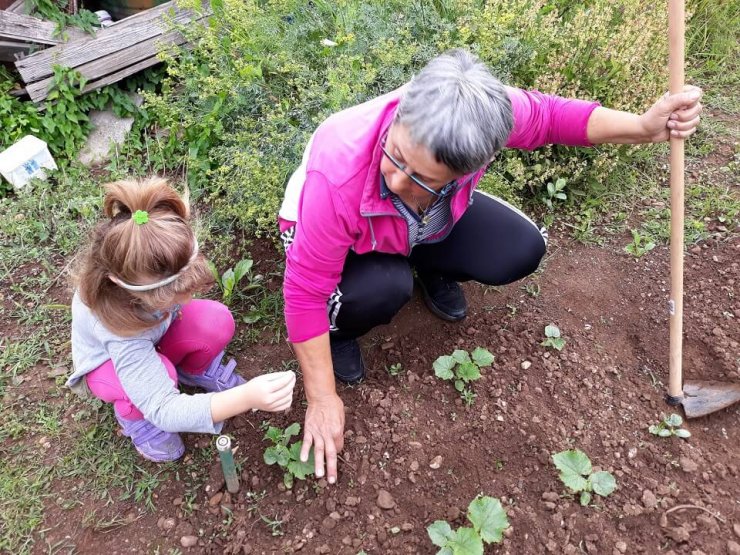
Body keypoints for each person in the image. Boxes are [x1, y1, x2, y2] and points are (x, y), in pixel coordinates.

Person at [278, 49, 702, 484]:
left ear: (476, 162)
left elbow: (553, 117)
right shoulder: (338, 173)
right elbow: (305, 290)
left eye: (423, 178)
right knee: (384, 287)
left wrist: (641, 126)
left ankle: (432, 265)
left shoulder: (479, 113)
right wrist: (323, 397)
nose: (396, 180)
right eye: (396, 155)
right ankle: (342, 330)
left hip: (421, 226)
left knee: (518, 247)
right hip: (340, 240)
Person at [68, 177, 296, 462]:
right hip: (109, 365)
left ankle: (193, 370)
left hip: (155, 334)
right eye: (170, 296)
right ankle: (136, 419)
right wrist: (246, 397)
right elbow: (165, 409)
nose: (185, 301)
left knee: (215, 320)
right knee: (159, 379)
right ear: (119, 283)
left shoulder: (156, 260)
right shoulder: (117, 329)